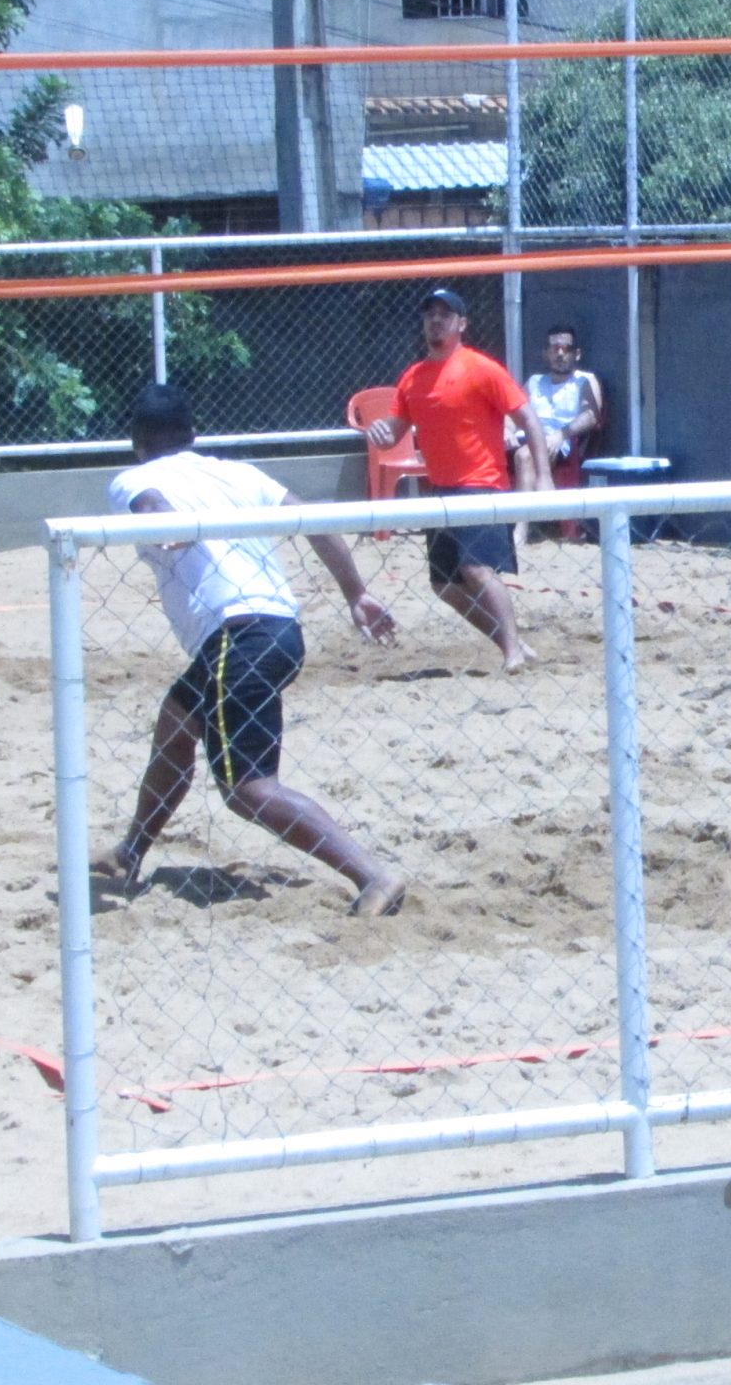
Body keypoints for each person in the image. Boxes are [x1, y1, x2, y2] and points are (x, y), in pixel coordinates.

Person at [94, 384, 407, 917]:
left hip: (236, 635)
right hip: (277, 628)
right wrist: (357, 594)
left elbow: (152, 506)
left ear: (136, 442)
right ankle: (130, 852)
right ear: (193, 435)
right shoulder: (236, 473)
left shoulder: (135, 477)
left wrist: (168, 526)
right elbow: (313, 521)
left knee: (248, 789)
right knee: (175, 727)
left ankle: (372, 873)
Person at [363, 288, 552, 671]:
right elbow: (397, 427)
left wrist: (544, 476)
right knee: (445, 585)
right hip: (442, 490)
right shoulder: (413, 377)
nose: (436, 320)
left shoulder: (481, 368)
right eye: (430, 314)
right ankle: (513, 643)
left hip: (481, 485)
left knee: (476, 570)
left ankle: (513, 653)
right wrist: (383, 431)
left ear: (461, 324)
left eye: (445, 314)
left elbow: (528, 419)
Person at [512, 324, 604, 527]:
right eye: (555, 348)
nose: (560, 353)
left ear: (577, 354)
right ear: (546, 353)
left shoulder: (585, 381)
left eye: (566, 348)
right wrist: (506, 430)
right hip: (524, 437)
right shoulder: (535, 381)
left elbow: (591, 416)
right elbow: (513, 410)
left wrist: (561, 435)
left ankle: (521, 528)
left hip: (559, 442)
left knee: (524, 456)